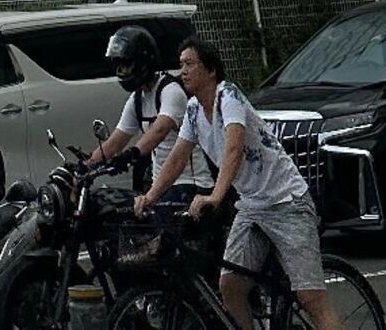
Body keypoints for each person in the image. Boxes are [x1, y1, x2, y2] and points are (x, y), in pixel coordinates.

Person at [135, 35, 336, 330]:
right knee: (231, 287)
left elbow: (234, 146)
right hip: (252, 206)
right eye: (181, 65)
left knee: (310, 297)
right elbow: (177, 158)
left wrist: (215, 197)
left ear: (211, 70)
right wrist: (150, 196)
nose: (184, 71)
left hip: (286, 201)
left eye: (190, 64)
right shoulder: (192, 110)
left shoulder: (228, 96)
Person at [89, 24, 190, 181]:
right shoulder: (137, 99)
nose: (121, 71)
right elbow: (115, 142)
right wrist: (84, 166)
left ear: (142, 61)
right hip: (160, 183)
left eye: (126, 64)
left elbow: (159, 130)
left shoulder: (171, 91)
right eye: (119, 65)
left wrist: (131, 155)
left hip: (187, 181)